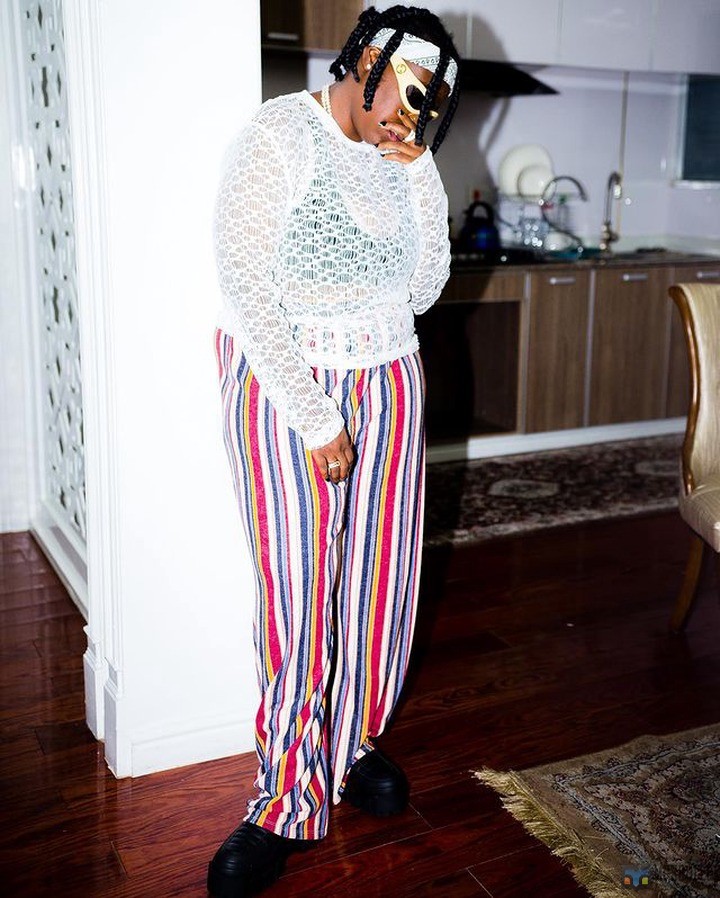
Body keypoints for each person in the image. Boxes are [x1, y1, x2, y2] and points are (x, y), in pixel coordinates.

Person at [208, 5, 460, 896]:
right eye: (408, 92)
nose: (414, 115)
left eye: (431, 103)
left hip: (389, 377)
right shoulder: (279, 136)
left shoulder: (404, 157)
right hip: (291, 384)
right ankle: (284, 799)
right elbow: (242, 279)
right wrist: (316, 417)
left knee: (380, 584)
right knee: (300, 594)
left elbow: (424, 289)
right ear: (365, 63)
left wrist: (423, 177)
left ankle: (348, 745)